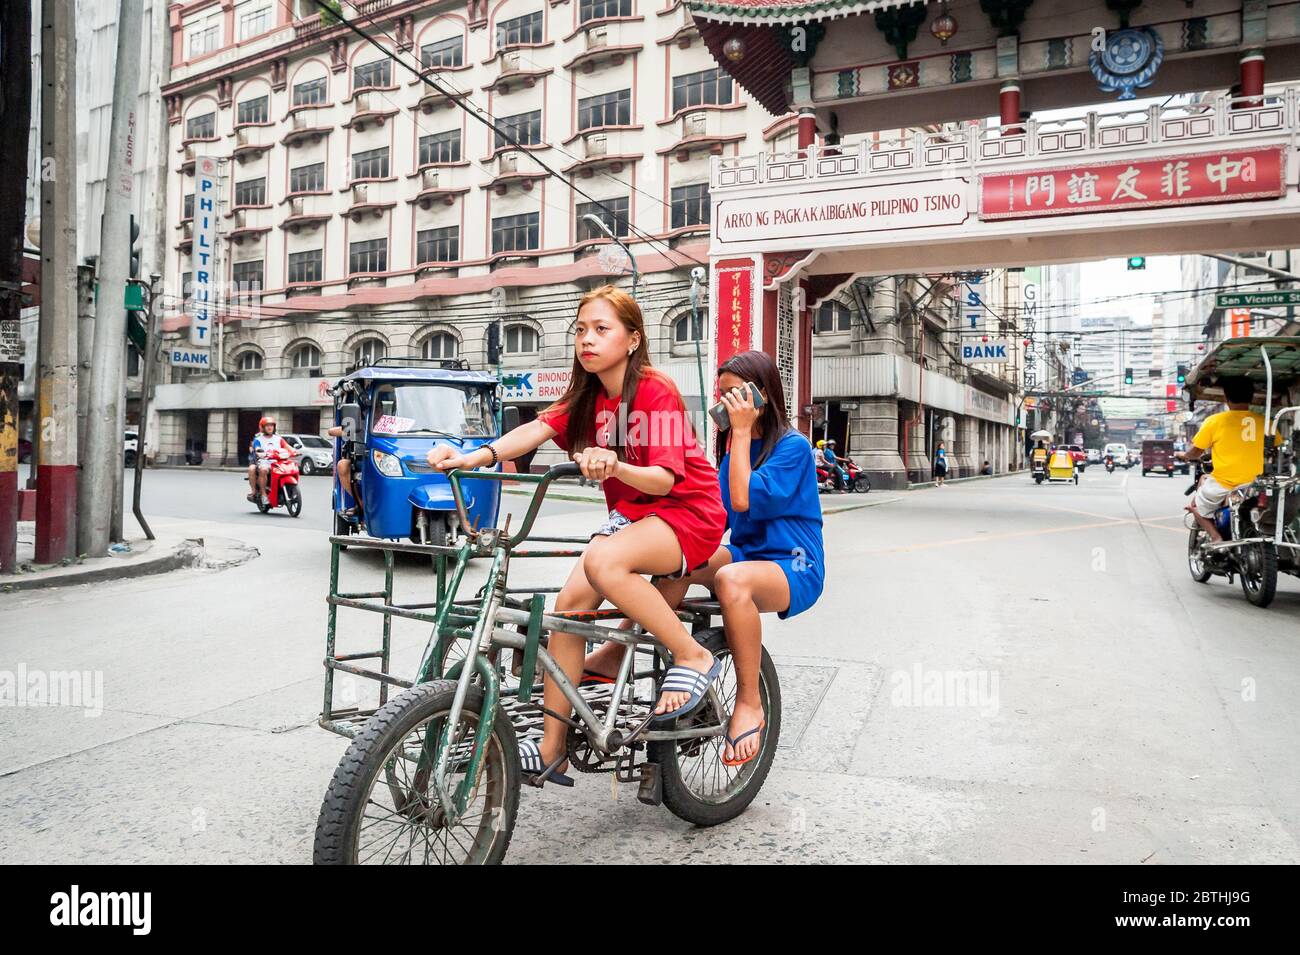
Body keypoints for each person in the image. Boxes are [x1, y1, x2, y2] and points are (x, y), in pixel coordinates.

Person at [425, 285, 727, 784]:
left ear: (632, 339)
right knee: (567, 610)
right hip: (632, 520)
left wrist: (616, 465)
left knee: (603, 563)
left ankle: (692, 655)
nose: (587, 340)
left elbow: (666, 480)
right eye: (581, 330)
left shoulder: (655, 389)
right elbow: (533, 432)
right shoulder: (585, 396)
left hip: (688, 512)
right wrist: (469, 458)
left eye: (601, 329)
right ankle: (552, 749)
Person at [584, 350, 824, 766]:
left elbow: (746, 497)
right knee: (682, 557)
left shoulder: (794, 447)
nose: (727, 404)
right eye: (723, 395)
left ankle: (750, 702)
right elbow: (717, 515)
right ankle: (616, 652)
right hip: (748, 553)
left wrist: (741, 433)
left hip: (795, 561)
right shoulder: (736, 451)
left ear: (761, 395)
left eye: (736, 395)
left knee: (733, 580)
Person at [1178, 376, 1264, 543]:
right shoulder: (1264, 421)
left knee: (1196, 505)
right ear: (1252, 397)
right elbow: (1276, 446)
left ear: (1225, 397)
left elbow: (1196, 452)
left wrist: (1185, 456)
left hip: (1226, 484)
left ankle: (1216, 537)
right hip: (1255, 484)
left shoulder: (1214, 421)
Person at [247, 416, 291, 502]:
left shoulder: (279, 439)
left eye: (271, 425)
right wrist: (258, 451)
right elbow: (256, 447)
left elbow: (287, 447)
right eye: (267, 425)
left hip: (278, 463)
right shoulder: (258, 439)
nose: (270, 427)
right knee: (262, 469)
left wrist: (295, 451)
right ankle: (263, 494)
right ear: (263, 427)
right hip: (265, 462)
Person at [327, 424, 361, 517]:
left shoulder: (391, 423)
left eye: (379, 409)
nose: (378, 412)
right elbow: (331, 431)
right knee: (342, 465)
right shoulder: (360, 423)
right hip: (362, 459)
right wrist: (351, 429)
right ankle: (360, 504)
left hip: (385, 459)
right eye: (376, 409)